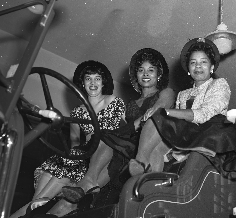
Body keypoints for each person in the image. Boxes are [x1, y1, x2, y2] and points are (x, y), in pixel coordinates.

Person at [9, 60, 125, 218]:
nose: (93, 83)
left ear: (103, 82)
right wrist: (75, 151)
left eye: (97, 78)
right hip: (82, 156)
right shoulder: (77, 111)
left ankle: (35, 210)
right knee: (42, 192)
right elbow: (75, 142)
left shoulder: (113, 101)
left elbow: (116, 134)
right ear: (82, 83)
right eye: (88, 79)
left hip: (101, 156)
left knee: (49, 189)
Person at [61, 48, 175, 205]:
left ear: (159, 75)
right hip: (130, 143)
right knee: (106, 139)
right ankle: (87, 185)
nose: (146, 74)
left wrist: (119, 132)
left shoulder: (166, 92)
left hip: (151, 138)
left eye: (151, 70)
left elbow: (157, 111)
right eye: (141, 70)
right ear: (136, 75)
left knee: (109, 137)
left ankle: (92, 184)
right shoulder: (131, 104)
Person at [129, 37, 236, 178]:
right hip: (188, 133)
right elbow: (177, 124)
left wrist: (167, 112)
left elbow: (204, 114)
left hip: (209, 130)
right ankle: (152, 181)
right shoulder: (183, 94)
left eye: (203, 62)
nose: (198, 66)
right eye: (193, 63)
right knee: (157, 147)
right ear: (188, 69)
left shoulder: (219, 84)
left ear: (212, 67)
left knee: (160, 116)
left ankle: (141, 161)